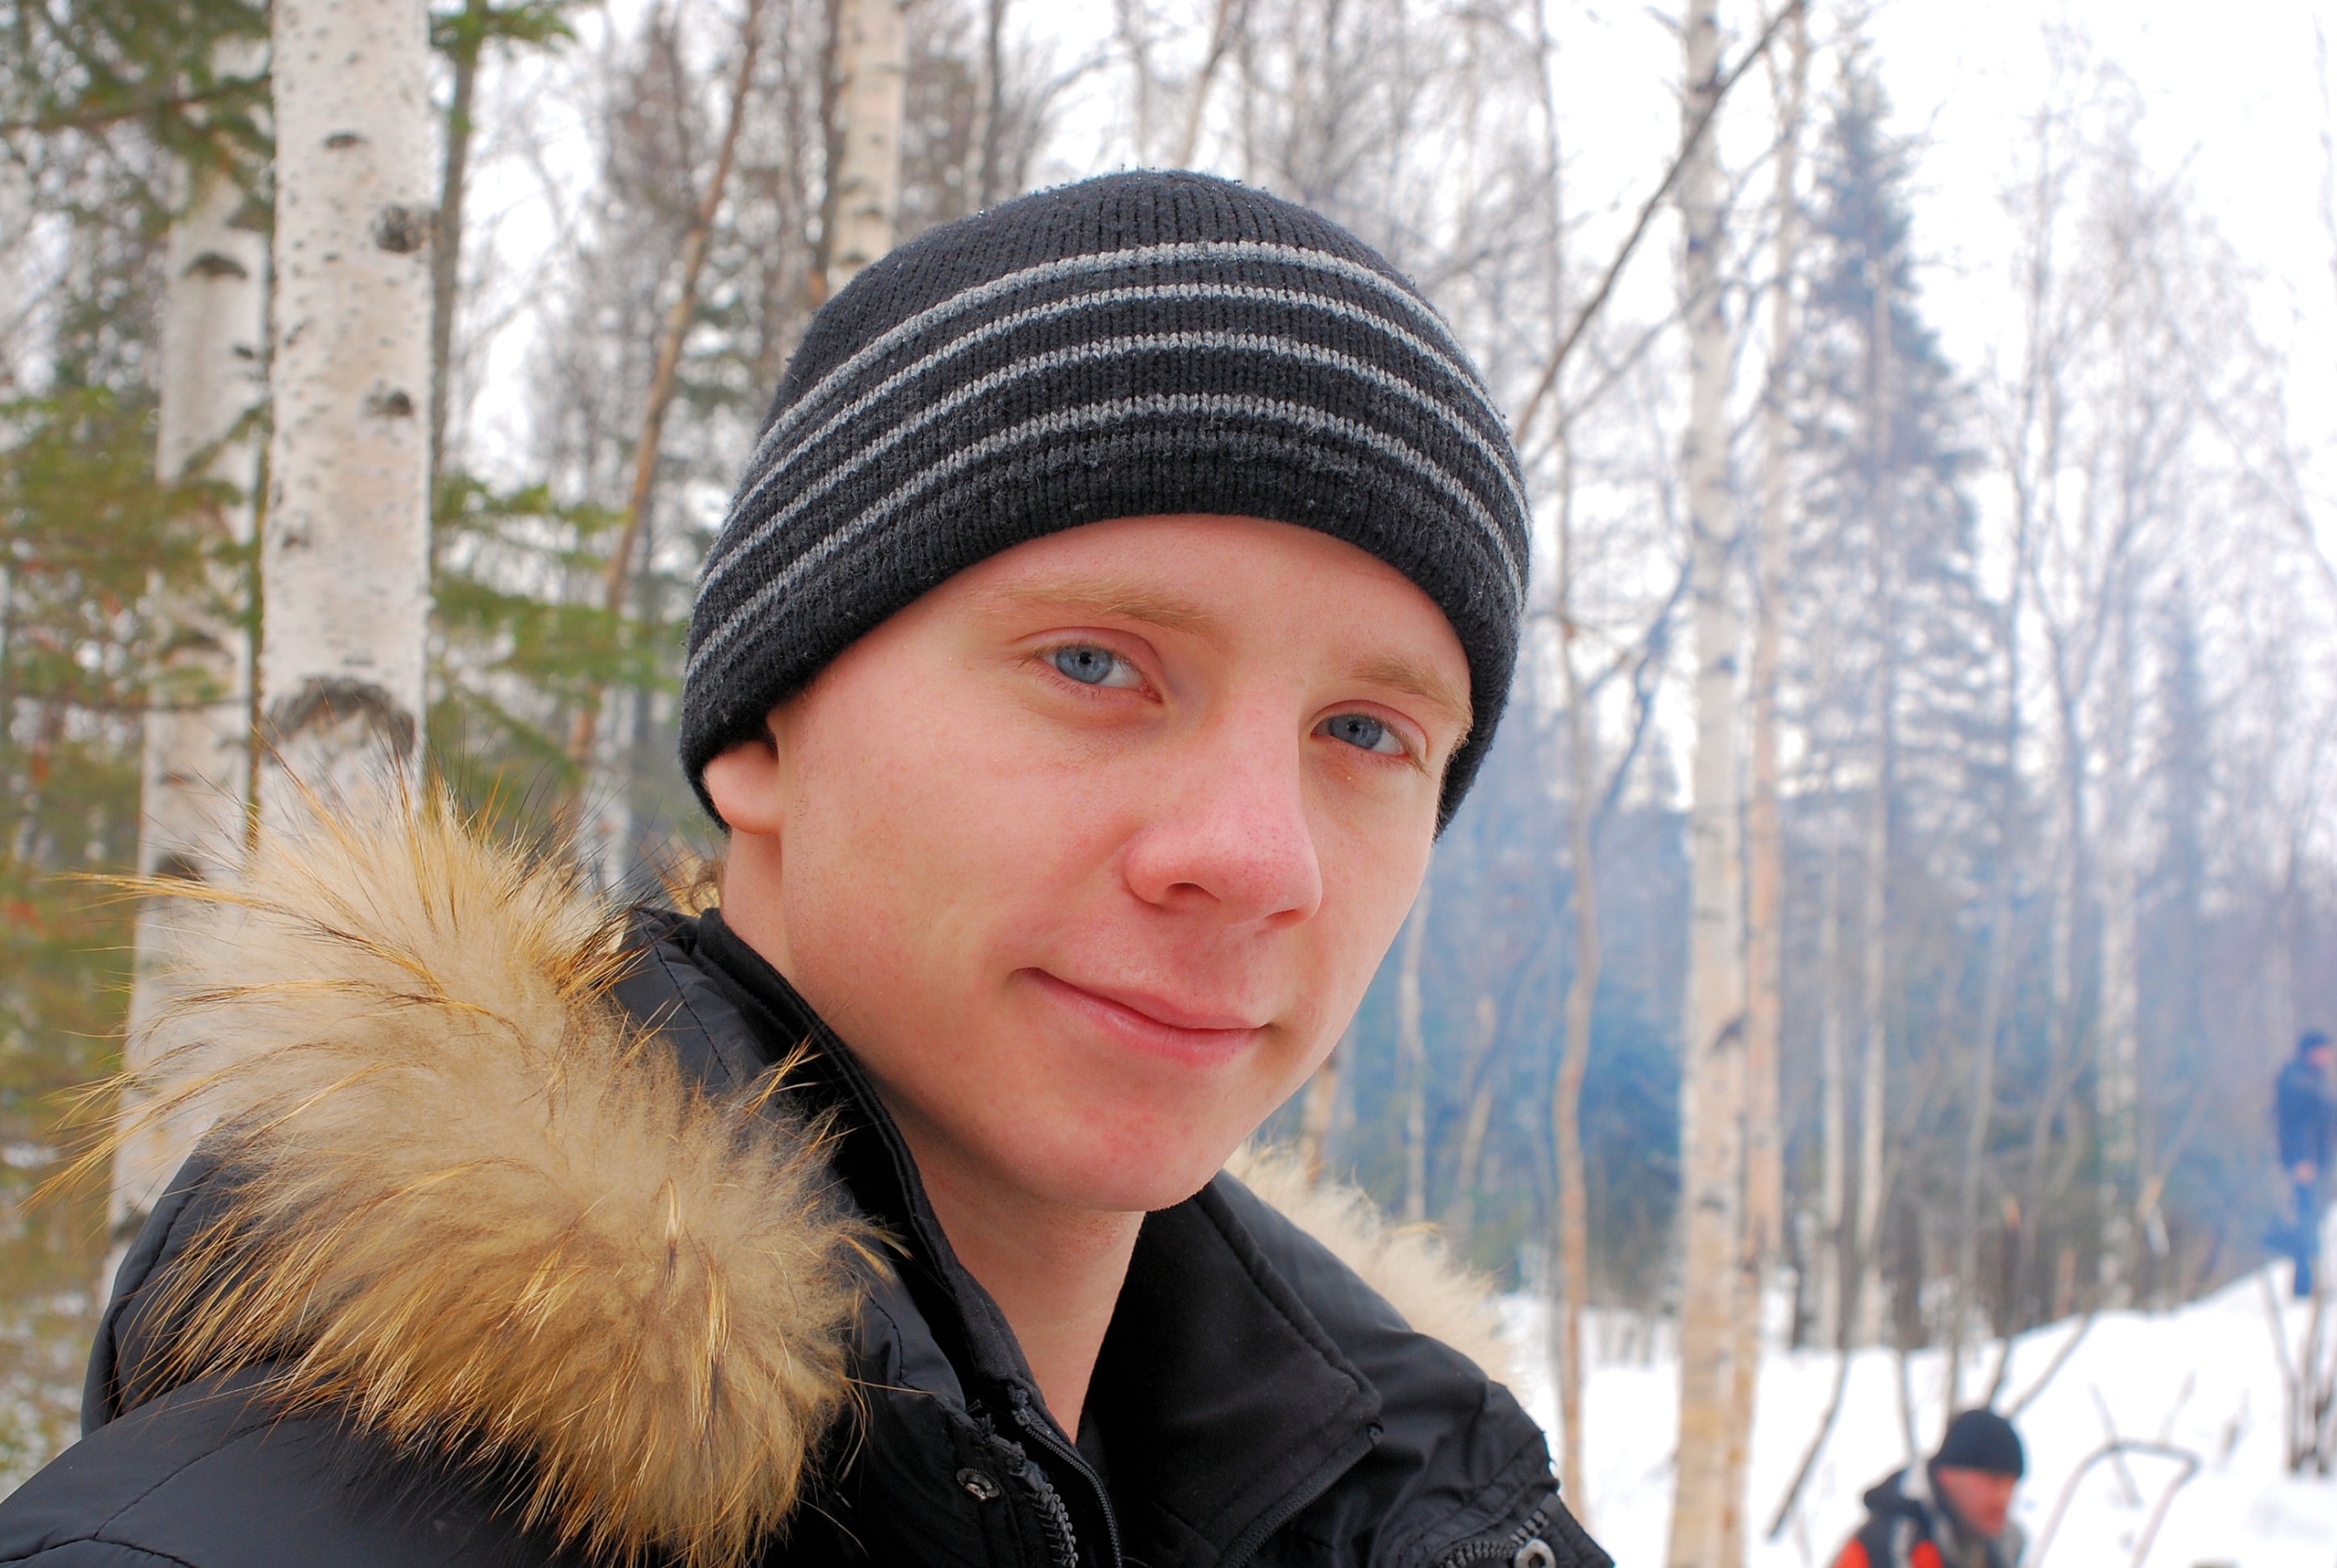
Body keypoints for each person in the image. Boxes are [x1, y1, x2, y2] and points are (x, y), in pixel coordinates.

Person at [0, 172, 1608, 1568]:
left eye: (1367, 731)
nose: (1258, 858)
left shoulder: (1433, 1506)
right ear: (765, 726)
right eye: (1094, 663)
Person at [1833, 1409, 2027, 1568]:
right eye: (1994, 1481)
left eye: (2012, 1485)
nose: (2004, 1497)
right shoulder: (1889, 1545)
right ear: (1948, 1475)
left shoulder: (1998, 1549)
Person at [2276, 1029, 2335, 1296]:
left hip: (2316, 1162)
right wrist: (2302, 1160)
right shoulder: (2296, 1079)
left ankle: (2310, 1281)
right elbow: (2296, 1126)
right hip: (2305, 1164)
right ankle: (2305, 1284)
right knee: (2306, 1220)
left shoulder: (2312, 1078)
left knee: (2313, 1219)